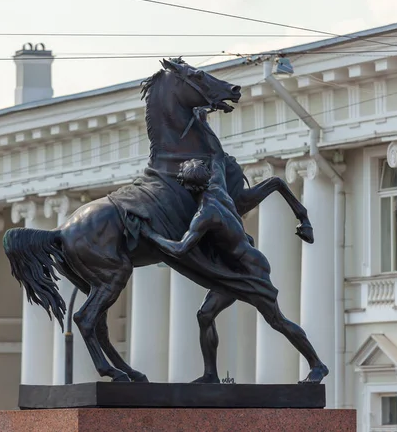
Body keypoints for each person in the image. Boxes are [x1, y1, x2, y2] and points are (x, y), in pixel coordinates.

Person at [140, 113, 328, 384]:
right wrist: (202, 122)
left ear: (190, 188)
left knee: (276, 320)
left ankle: (317, 365)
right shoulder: (217, 184)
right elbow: (215, 150)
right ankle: (210, 375)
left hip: (248, 269)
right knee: (205, 314)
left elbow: (180, 249)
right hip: (234, 268)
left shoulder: (204, 215)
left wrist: (151, 235)